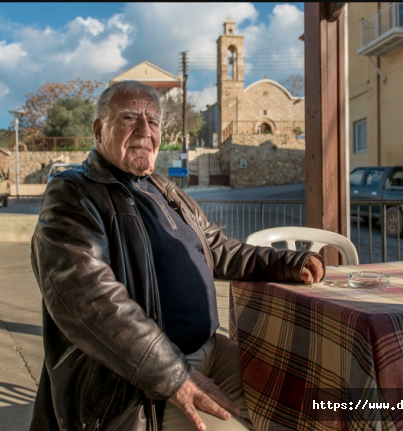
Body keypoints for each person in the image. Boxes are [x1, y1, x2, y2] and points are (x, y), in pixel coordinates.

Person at [29, 80, 324, 431]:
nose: (144, 130)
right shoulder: (73, 193)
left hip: (210, 348)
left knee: (299, 397)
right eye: (129, 118)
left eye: (153, 121)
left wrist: (286, 262)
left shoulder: (163, 189)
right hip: (138, 382)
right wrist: (175, 377)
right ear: (98, 129)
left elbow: (216, 247)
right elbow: (94, 303)